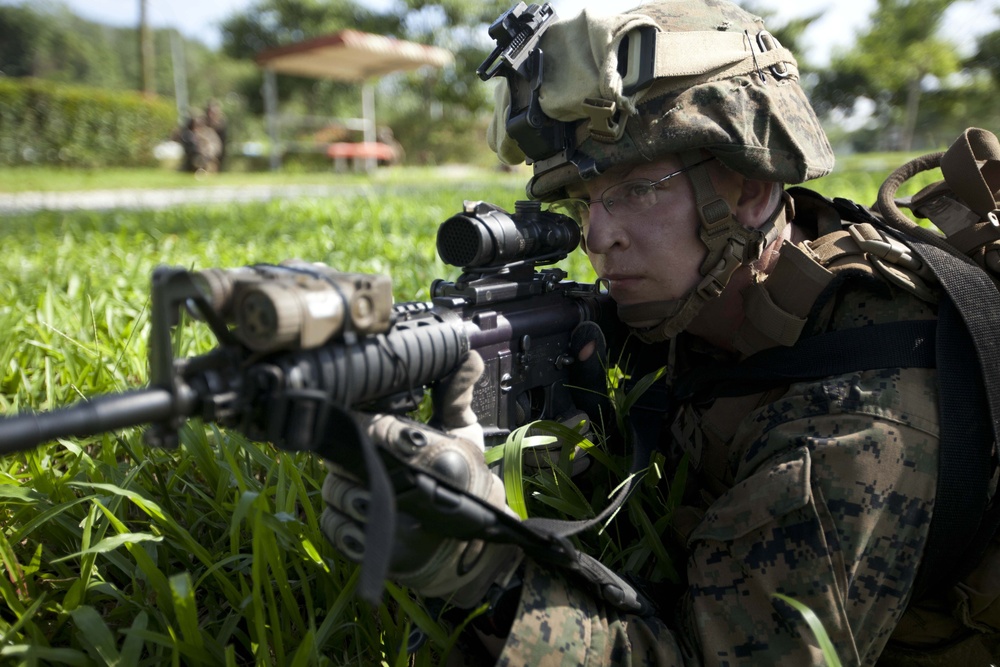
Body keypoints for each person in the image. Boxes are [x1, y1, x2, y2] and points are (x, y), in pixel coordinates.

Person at [321, 1, 1000, 664]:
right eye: (583, 200)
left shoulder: (858, 427)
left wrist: (480, 571)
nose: (596, 236)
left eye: (639, 188)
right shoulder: (725, 284)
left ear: (751, 189)